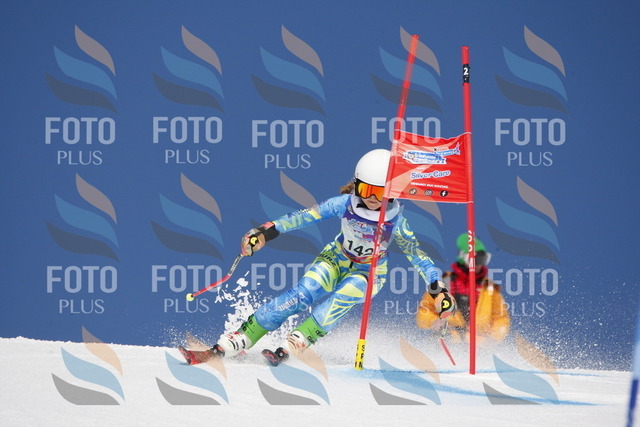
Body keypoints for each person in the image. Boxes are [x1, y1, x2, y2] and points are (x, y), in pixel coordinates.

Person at [180, 149, 456, 365]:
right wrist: (267, 232)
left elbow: (419, 257)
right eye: (366, 190)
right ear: (356, 186)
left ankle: (299, 340)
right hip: (336, 258)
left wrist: (439, 289)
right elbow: (304, 217)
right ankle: (241, 338)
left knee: (345, 294)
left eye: (381, 192)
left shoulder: (396, 221)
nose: (373, 199)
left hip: (368, 272)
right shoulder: (344, 204)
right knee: (302, 294)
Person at [416, 234, 510, 343]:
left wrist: (492, 337)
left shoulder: (490, 289)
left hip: (479, 345)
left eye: (482, 259)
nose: (478, 264)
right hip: (448, 341)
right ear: (463, 257)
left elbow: (501, 319)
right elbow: (424, 312)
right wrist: (434, 321)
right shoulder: (443, 284)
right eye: (475, 259)